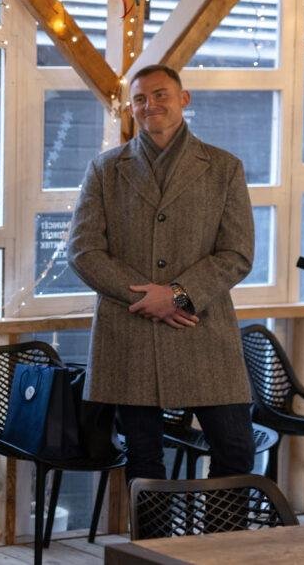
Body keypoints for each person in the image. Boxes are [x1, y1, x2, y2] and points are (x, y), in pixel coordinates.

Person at [67, 64, 255, 482]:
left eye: (160, 94)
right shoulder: (105, 169)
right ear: (131, 109)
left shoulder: (224, 167)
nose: (150, 104)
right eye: (140, 99)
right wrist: (145, 298)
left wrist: (176, 295)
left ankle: (217, 530)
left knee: (236, 450)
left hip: (202, 330)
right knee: (144, 461)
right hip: (130, 333)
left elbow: (237, 253)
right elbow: (82, 250)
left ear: (183, 99)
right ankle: (151, 532)